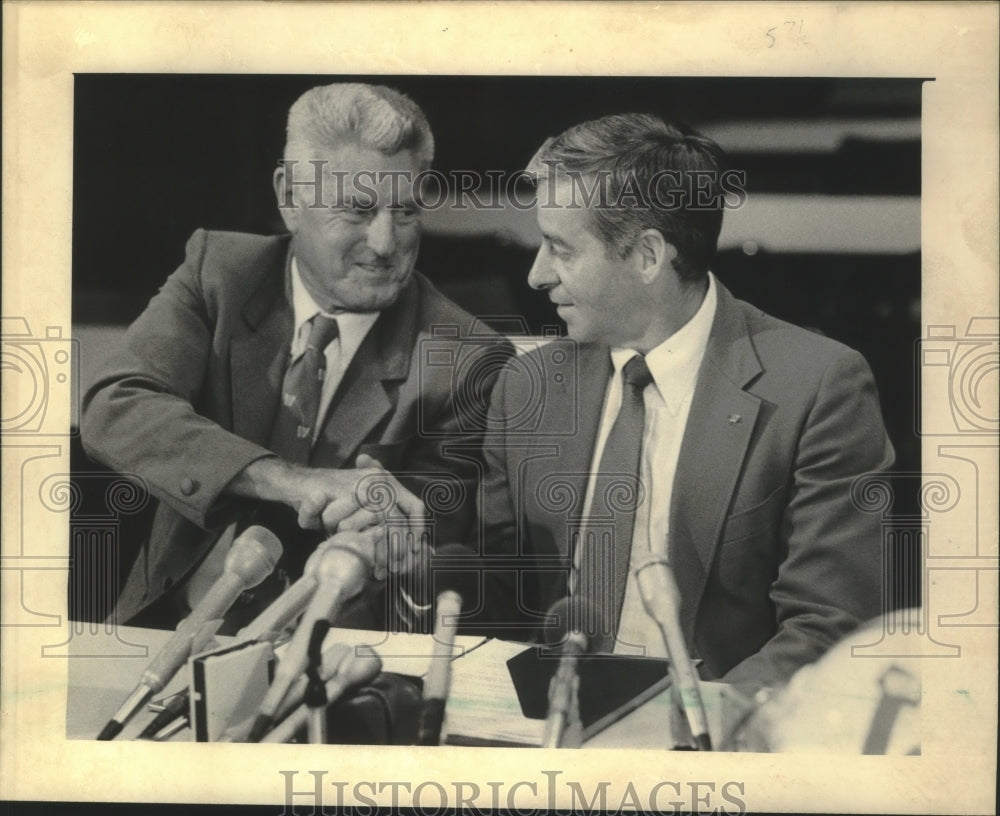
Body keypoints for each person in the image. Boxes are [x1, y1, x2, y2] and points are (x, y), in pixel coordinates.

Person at [475, 114, 894, 691]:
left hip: (715, 746)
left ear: (648, 256)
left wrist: (692, 731)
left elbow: (831, 627)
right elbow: (496, 598)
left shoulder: (818, 389)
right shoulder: (529, 386)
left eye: (559, 248)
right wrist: (411, 555)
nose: (535, 275)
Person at [81, 82, 510, 632]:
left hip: (328, 661)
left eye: (404, 212)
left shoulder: (468, 358)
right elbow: (115, 404)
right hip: (157, 625)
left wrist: (399, 545)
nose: (385, 243)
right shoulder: (219, 272)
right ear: (289, 197)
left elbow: (426, 551)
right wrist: (294, 481)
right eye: (356, 210)